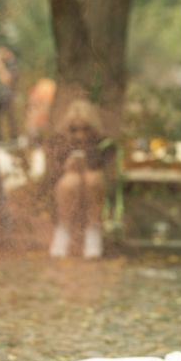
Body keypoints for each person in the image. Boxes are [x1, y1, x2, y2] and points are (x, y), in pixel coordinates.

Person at [45, 99, 112, 260]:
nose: (80, 135)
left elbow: (107, 171)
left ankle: (93, 231)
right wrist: (68, 167)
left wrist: (88, 162)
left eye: (85, 129)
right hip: (65, 191)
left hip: (94, 188)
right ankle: (63, 230)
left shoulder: (103, 143)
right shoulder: (59, 143)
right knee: (70, 181)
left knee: (92, 179)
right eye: (74, 129)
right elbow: (52, 175)